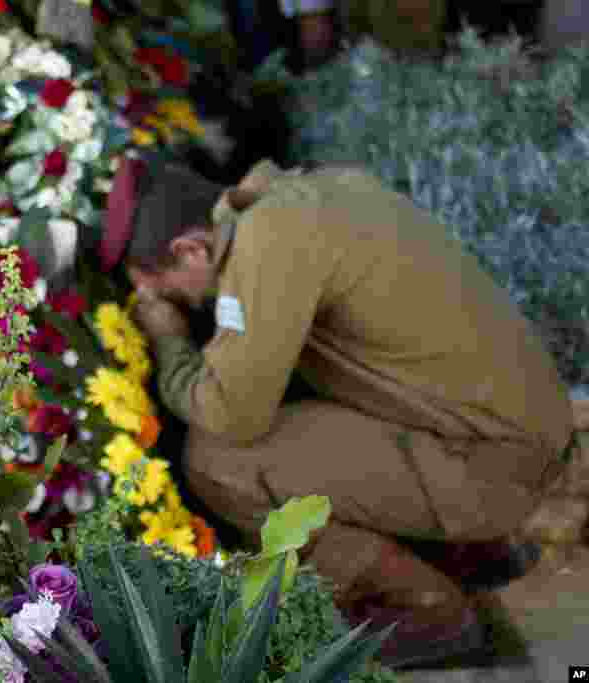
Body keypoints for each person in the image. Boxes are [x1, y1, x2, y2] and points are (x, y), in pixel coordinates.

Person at [101, 157, 576, 668]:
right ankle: (460, 553)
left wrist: (168, 338)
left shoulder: (270, 245)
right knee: (278, 392)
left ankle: (425, 610)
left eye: (165, 291)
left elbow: (229, 414)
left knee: (219, 460)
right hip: (512, 439)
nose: (172, 303)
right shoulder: (307, 196)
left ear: (191, 249)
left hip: (497, 470)